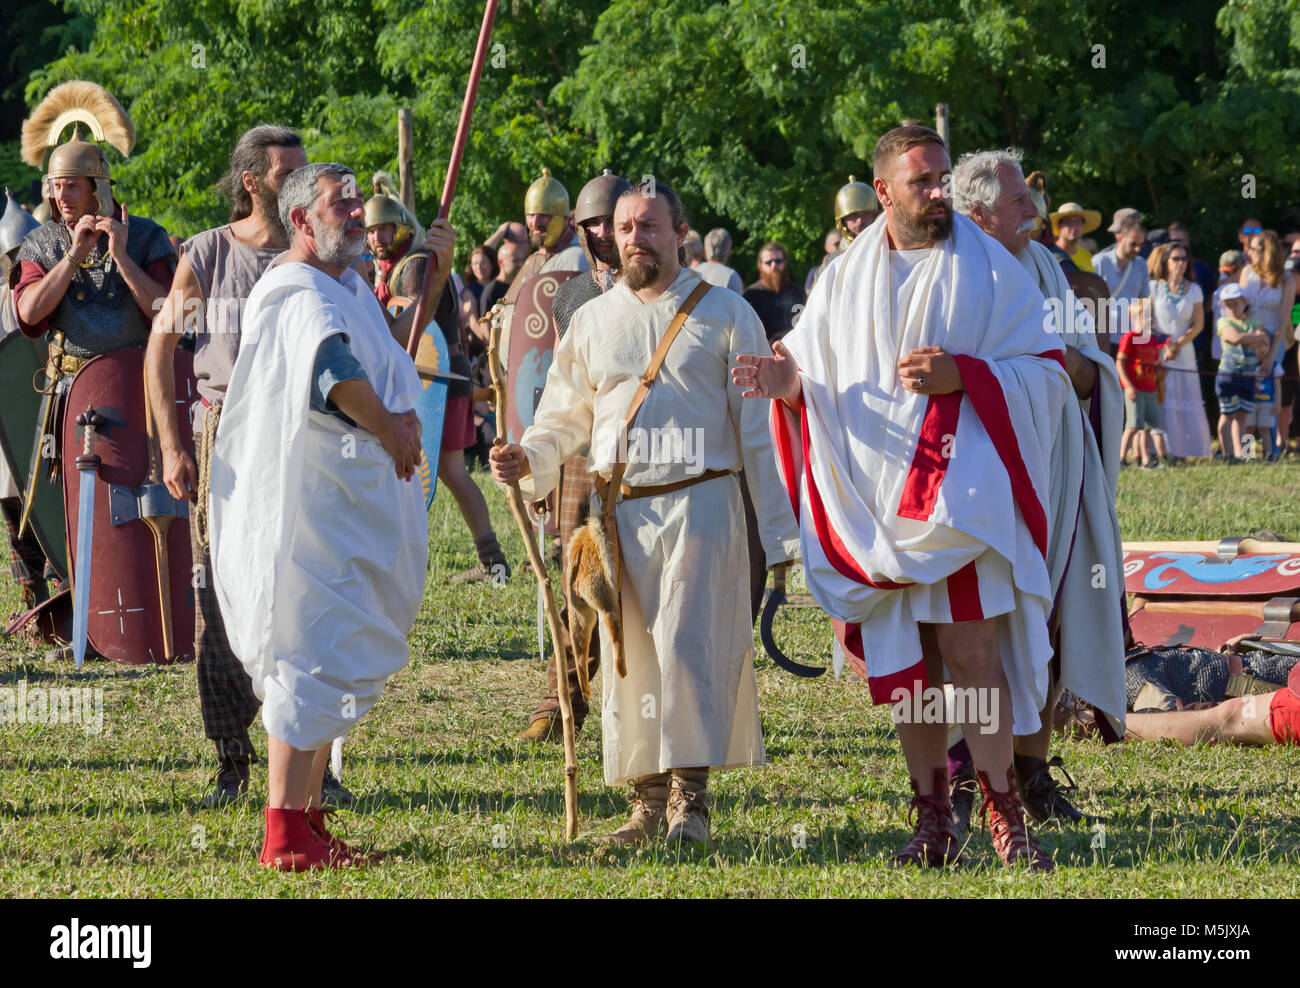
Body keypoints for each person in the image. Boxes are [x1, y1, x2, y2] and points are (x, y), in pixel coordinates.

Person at [736, 125, 1070, 871]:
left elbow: (1048, 374)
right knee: (912, 662)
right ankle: (933, 821)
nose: (938, 190)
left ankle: (1005, 816)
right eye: (921, 180)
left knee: (973, 651)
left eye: (943, 176)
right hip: (876, 502)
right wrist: (784, 385)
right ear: (882, 190)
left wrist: (968, 376)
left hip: (960, 497)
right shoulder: (843, 279)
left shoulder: (991, 270)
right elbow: (815, 375)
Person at [491, 180, 800, 847]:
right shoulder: (595, 321)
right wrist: (528, 458)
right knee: (630, 659)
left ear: (679, 232)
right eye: (626, 227)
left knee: (689, 648)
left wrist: (779, 533)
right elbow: (564, 415)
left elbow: (758, 429)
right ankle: (645, 804)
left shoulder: (725, 313)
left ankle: (691, 801)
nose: (636, 238)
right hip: (620, 513)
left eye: (650, 226)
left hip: (703, 502)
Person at [210, 162, 434, 869]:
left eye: (355, 204)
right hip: (309, 513)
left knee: (329, 660)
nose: (357, 217)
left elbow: (387, 359)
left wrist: (436, 272)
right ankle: (284, 833)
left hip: (346, 505)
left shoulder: (344, 287)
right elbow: (334, 376)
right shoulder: (295, 290)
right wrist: (393, 431)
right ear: (301, 220)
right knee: (305, 663)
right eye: (341, 205)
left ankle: (306, 819)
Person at [951, 148, 1126, 826]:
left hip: (1056, 468)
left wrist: (1067, 369)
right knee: (979, 628)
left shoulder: (1049, 270)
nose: (1036, 210)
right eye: (1021, 201)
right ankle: (964, 781)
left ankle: (1032, 774)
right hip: (981, 473)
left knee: (1050, 615)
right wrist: (1050, 370)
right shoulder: (954, 276)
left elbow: (1086, 369)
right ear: (979, 211)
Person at [144, 125, 314, 808]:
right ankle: (233, 761)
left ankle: (310, 757)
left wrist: (439, 271)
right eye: (284, 174)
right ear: (251, 180)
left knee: (304, 597)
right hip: (225, 440)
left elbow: (380, 341)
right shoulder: (209, 254)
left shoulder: (318, 255)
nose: (299, 184)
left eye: (304, 172)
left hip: (303, 435)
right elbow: (162, 348)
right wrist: (172, 445)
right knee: (220, 599)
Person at [518, 169, 630, 743]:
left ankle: (624, 699)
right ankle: (563, 699)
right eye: (589, 225)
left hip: (644, 456)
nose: (599, 235)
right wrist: (540, 468)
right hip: (583, 453)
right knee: (576, 577)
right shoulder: (571, 295)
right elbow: (559, 389)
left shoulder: (655, 286)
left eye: (607, 223)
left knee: (634, 578)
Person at [363, 191, 510, 586]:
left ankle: (490, 561)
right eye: (371, 230)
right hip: (440, 379)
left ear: (402, 228)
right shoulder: (399, 266)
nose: (377, 238)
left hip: (437, 382)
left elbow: (413, 331)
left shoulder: (412, 266)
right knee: (450, 471)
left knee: (446, 472)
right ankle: (492, 560)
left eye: (384, 228)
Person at [0, 190, 49, 615]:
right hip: (10, 422)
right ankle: (33, 594)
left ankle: (61, 588)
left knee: (52, 508)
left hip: (48, 417)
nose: (18, 261)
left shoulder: (50, 293)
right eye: (13, 254)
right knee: (16, 514)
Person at [1148, 241, 1211, 458]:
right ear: (1166, 261)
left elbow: (1199, 323)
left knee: (1187, 396)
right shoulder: (1154, 287)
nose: (1180, 263)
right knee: (1162, 398)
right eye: (1176, 258)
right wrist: (1165, 343)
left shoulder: (1194, 289)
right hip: (1159, 349)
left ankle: (1189, 449)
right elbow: (1148, 320)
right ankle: (1162, 449)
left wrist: (1177, 344)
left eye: (1184, 259)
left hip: (1184, 350)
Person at [1240, 230, 1297, 458]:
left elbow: (1284, 320)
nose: (1250, 253)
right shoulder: (1246, 272)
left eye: (1255, 249)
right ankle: (1245, 451)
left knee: (1268, 396)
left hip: (1274, 340)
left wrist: (1272, 354)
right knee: (1246, 395)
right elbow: (1241, 311)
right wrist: (1251, 337)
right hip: (1249, 339)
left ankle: (1270, 450)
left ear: (1267, 252)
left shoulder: (1285, 278)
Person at [1214, 283, 1270, 459]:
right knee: (1227, 414)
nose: (1232, 307)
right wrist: (1256, 338)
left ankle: (1245, 454)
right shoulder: (1223, 321)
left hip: (1248, 376)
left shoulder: (1254, 322)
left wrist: (1255, 339)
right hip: (1228, 376)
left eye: (1235, 302)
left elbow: (1265, 343)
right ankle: (1228, 454)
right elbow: (1234, 337)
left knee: (1243, 417)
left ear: (1244, 301)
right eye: (1228, 304)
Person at [1117, 298, 1170, 467]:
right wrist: (1128, 386)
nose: (1150, 319)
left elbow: (1155, 362)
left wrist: (1160, 371)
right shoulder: (1130, 337)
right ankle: (1121, 459)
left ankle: (1146, 460)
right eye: (1145, 316)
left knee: (1147, 428)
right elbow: (1119, 362)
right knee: (1132, 425)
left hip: (1150, 388)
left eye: (1151, 316)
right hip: (1135, 389)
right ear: (1134, 318)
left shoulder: (1153, 339)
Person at [1093, 214, 1149, 342]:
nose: (1138, 249)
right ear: (1119, 237)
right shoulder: (1100, 262)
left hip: (1129, 340)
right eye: (1133, 243)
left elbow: (1144, 300)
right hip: (1101, 337)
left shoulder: (1141, 265)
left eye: (1141, 244)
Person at [742, 242, 805, 342]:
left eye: (778, 261)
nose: (774, 265)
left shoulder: (797, 292)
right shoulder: (751, 295)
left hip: (793, 353)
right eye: (768, 262)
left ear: (784, 263)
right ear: (760, 265)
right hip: (763, 354)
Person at [1048, 201, 1100, 273]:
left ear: (1082, 226)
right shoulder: (1050, 254)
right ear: (1059, 226)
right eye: (1068, 222)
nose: (1074, 227)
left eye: (1078, 222)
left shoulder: (1086, 255)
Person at [696, 227, 745, 294]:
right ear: (729, 251)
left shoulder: (693, 272)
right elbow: (737, 304)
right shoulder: (732, 276)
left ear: (705, 249)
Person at [804, 228, 842, 293]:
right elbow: (810, 297)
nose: (841, 247)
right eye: (837, 244)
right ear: (827, 247)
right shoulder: (814, 272)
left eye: (842, 243)